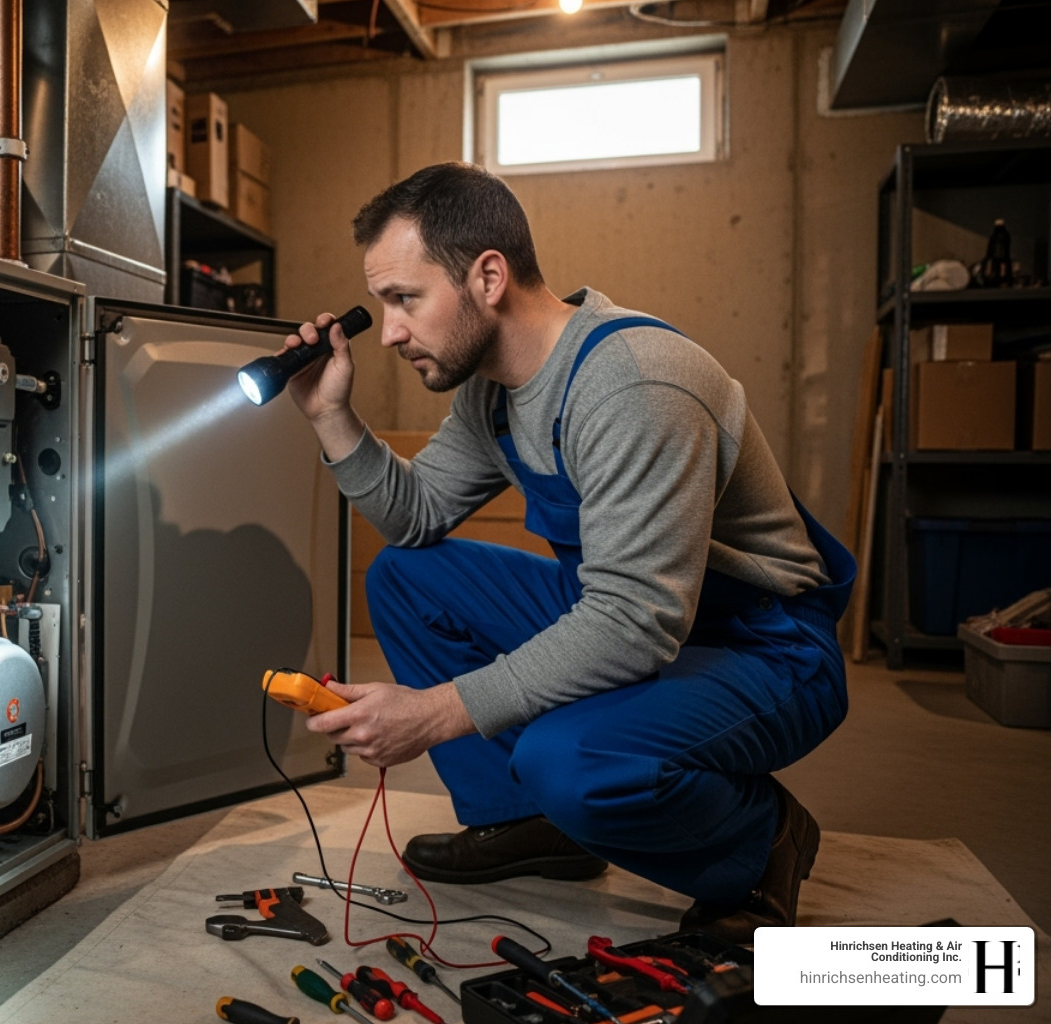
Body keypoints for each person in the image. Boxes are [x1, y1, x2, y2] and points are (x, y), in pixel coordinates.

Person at [285, 163, 855, 943]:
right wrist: (329, 415)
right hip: (639, 614)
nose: (387, 332)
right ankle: (532, 824)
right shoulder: (495, 392)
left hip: (762, 646)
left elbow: (634, 623)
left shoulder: (634, 383)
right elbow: (416, 519)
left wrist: (437, 712)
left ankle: (761, 845)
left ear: (488, 275)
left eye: (404, 299)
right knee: (409, 577)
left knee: (570, 760)